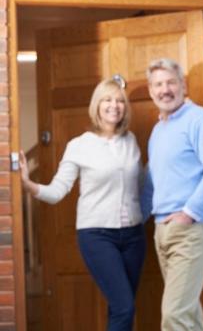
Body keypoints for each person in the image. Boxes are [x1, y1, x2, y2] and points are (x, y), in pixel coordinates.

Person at [19, 77, 146, 331]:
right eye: (108, 100)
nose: (114, 105)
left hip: (134, 235)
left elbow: (140, 183)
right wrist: (28, 184)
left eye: (120, 101)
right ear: (97, 106)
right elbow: (57, 191)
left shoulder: (130, 140)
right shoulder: (79, 146)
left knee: (121, 307)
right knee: (124, 307)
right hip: (97, 235)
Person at [141, 58, 203, 331]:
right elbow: (153, 181)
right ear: (150, 90)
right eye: (158, 84)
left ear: (183, 85)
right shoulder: (159, 130)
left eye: (170, 82)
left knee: (175, 315)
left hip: (189, 230)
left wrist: (188, 214)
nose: (164, 89)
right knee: (187, 314)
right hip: (162, 230)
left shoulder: (199, 120)